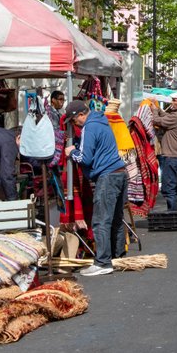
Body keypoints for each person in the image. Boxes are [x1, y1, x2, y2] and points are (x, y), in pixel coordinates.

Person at [65, 100, 127, 277]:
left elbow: (85, 159)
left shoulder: (90, 127)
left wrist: (72, 152)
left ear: (80, 115)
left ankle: (103, 262)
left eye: (73, 120)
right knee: (115, 218)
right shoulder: (102, 121)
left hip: (107, 176)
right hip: (119, 173)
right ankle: (118, 256)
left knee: (101, 221)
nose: (73, 124)